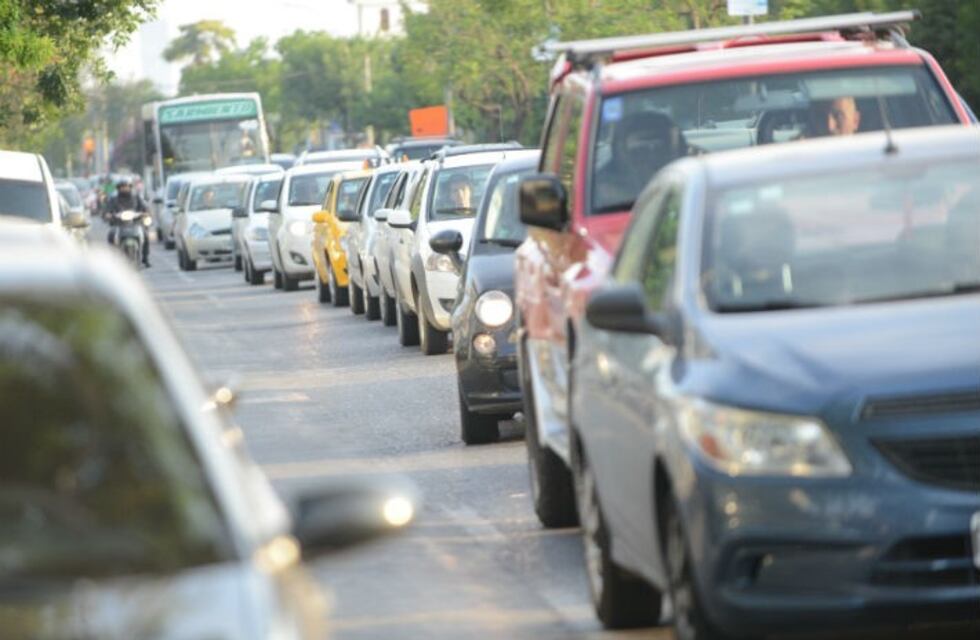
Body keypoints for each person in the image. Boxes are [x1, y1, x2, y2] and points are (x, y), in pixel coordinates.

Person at [106, 178, 151, 267]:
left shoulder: (136, 197)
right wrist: (109, 215)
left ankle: (145, 258)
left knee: (145, 235)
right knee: (111, 235)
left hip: (135, 224)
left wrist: (145, 213)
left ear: (130, 187)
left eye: (126, 187)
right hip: (119, 225)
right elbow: (107, 211)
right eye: (122, 187)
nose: (124, 189)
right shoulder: (113, 199)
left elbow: (144, 207)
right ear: (118, 188)